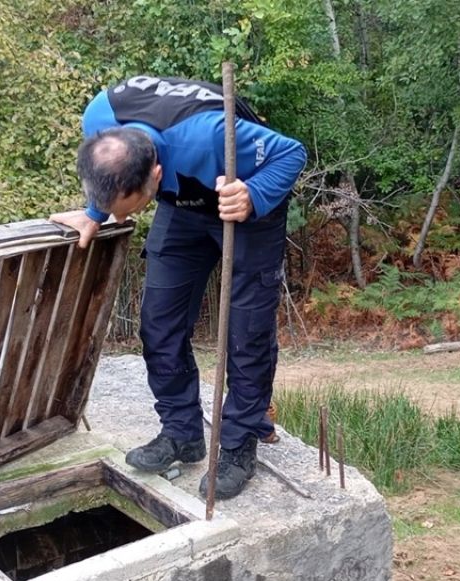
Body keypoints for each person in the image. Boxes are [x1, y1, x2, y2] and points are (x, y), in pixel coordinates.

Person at [51, 76, 307, 499]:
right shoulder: (100, 119)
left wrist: (254, 194)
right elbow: (109, 179)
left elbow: (291, 151)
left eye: (126, 210)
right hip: (183, 204)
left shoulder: (208, 137)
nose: (120, 221)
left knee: (246, 334)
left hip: (241, 201)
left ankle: (239, 445)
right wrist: (95, 212)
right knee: (158, 324)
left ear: (153, 175)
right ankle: (181, 433)